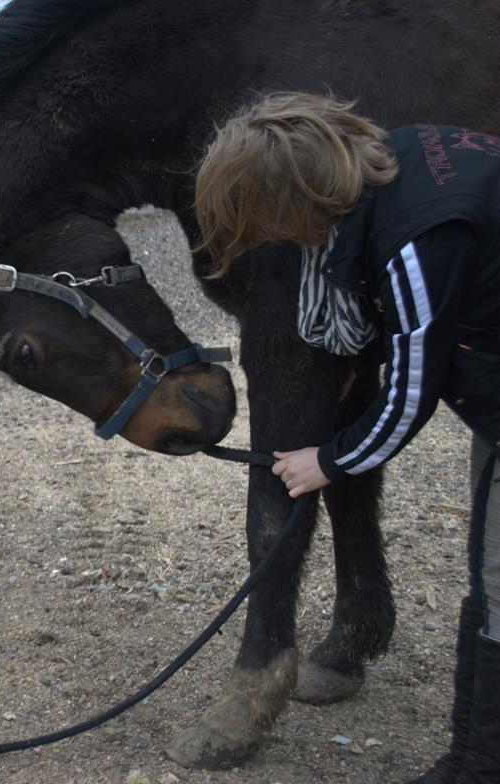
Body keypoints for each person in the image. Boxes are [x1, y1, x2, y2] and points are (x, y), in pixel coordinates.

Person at [194, 92, 500, 783]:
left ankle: (479, 768)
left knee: (495, 584)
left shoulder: (418, 241)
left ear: (294, 205)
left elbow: (412, 391)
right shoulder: (407, 154)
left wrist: (329, 460)